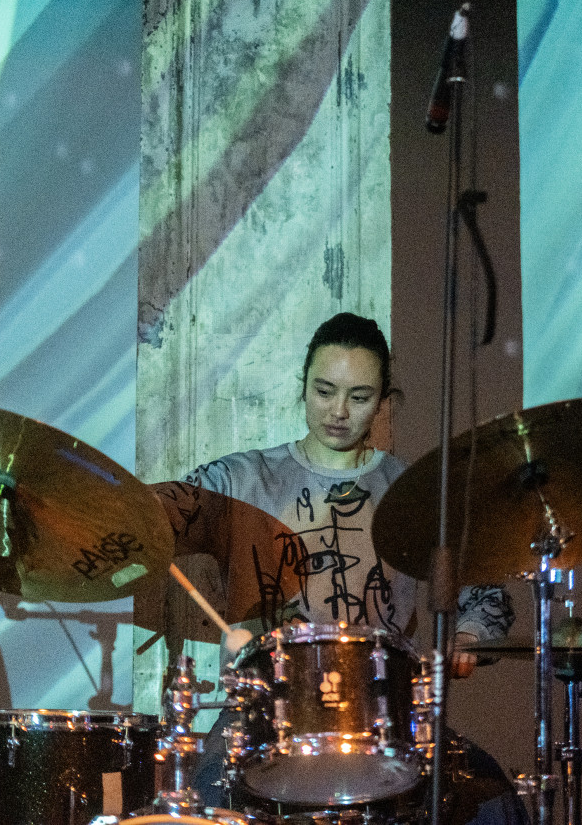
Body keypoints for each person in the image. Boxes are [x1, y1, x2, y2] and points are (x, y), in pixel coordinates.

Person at [171, 312, 526, 825]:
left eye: (359, 398)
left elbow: (486, 593)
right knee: (202, 797)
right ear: (302, 387)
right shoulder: (240, 479)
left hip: (384, 719)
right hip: (261, 717)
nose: (338, 411)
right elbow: (154, 521)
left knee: (493, 803)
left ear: (383, 403)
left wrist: (465, 639)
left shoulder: (415, 492)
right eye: (324, 391)